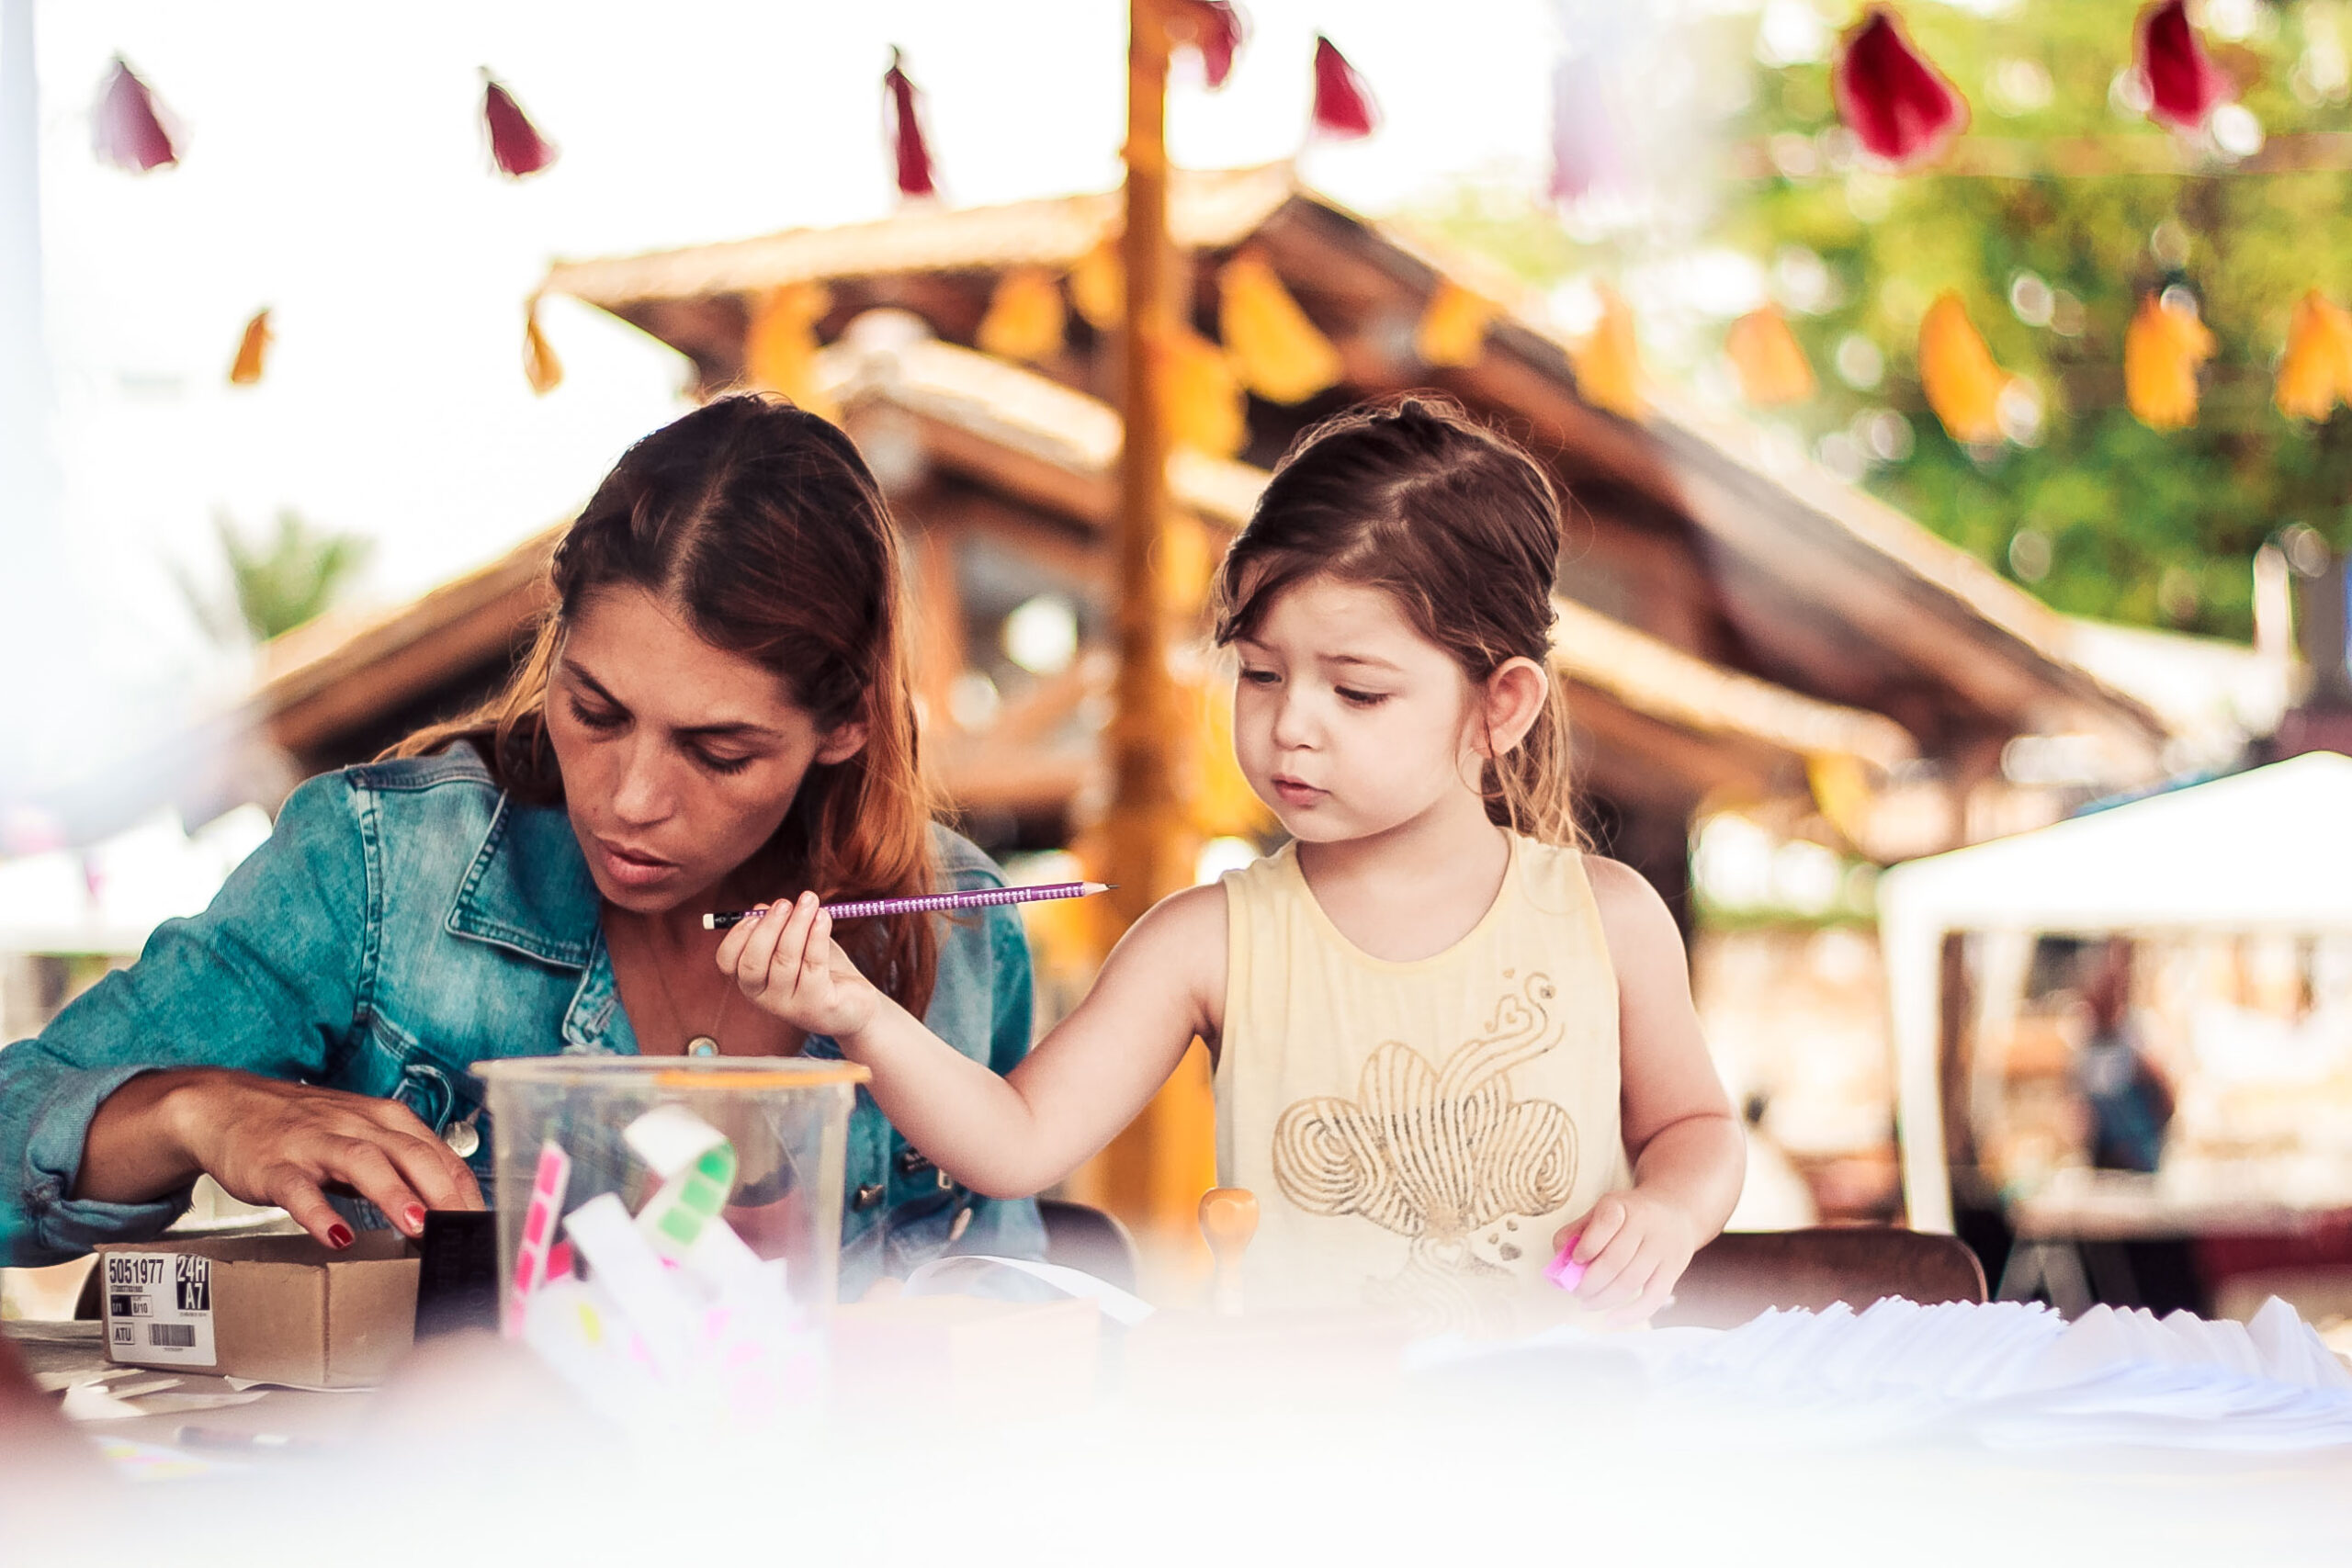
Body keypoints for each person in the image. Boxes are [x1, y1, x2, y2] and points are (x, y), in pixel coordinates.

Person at [721, 398, 1744, 1331]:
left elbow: (1696, 1128)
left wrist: (1667, 1207)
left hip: (1570, 1439)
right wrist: (853, 1010)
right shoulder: (1205, 940)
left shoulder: (1604, 918)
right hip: (1308, 1456)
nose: (1290, 724)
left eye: (1356, 692)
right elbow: (1017, 1140)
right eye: (1260, 674)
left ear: (1499, 707)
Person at [0, 395, 1044, 1292]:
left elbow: (1002, 1303)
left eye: (718, 752)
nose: (632, 799)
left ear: (848, 723)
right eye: (592, 711)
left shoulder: (956, 933)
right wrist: (192, 1109)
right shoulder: (377, 868)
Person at [2075, 938, 2175, 1174]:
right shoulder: (2086, 1040)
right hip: (2102, 1160)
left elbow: (2167, 1099)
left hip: (2138, 1158)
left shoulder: (2137, 1037)